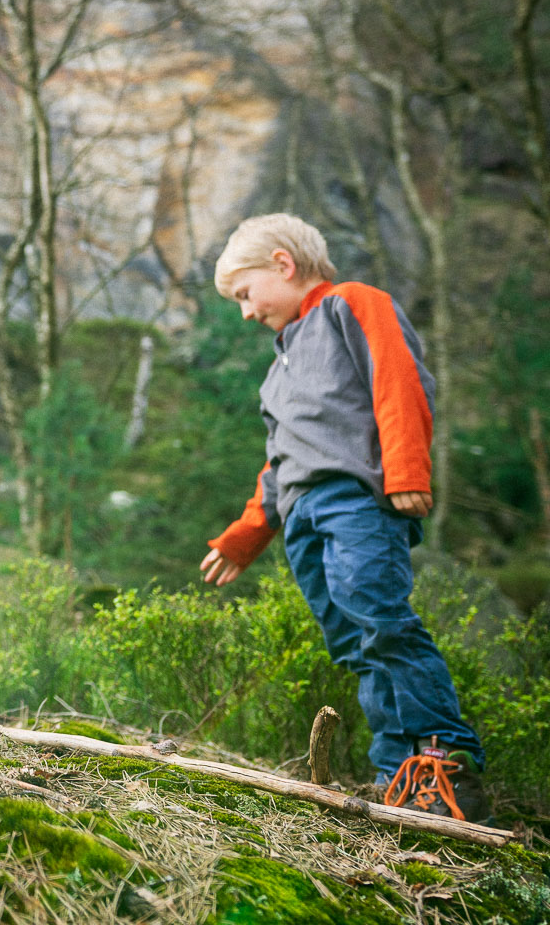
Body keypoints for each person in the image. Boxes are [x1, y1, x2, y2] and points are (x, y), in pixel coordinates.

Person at [202, 213, 489, 822]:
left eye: (246, 294)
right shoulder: (277, 371)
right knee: (356, 641)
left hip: (356, 501)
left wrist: (408, 471)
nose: (246, 313)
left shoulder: (351, 306)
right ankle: (399, 772)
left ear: (283, 264)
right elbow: (278, 464)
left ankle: (444, 758)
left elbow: (399, 381)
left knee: (380, 616)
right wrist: (247, 536)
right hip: (304, 521)